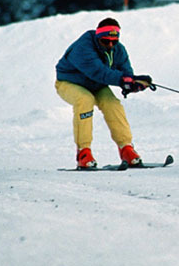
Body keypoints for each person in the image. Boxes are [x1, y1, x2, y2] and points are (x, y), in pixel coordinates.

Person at [55, 17, 152, 169]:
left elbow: (125, 72)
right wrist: (124, 80)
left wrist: (133, 84)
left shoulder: (118, 49)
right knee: (84, 100)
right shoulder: (83, 48)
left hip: (96, 84)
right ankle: (83, 152)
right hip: (69, 83)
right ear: (98, 37)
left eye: (114, 41)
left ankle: (126, 148)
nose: (110, 45)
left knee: (112, 104)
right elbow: (99, 72)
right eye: (106, 41)